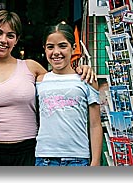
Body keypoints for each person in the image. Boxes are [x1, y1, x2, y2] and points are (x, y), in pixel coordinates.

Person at [0, 10, 96, 166]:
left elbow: (60, 82)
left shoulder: (32, 68)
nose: (3, 40)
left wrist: (81, 69)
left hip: (28, 152)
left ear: (16, 40)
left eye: (10, 35)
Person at [35, 23, 103, 166]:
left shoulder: (87, 79)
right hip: (45, 157)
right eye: (50, 47)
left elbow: (95, 124)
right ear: (44, 49)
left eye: (62, 46)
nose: (56, 52)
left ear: (73, 48)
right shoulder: (40, 80)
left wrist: (95, 161)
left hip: (77, 158)